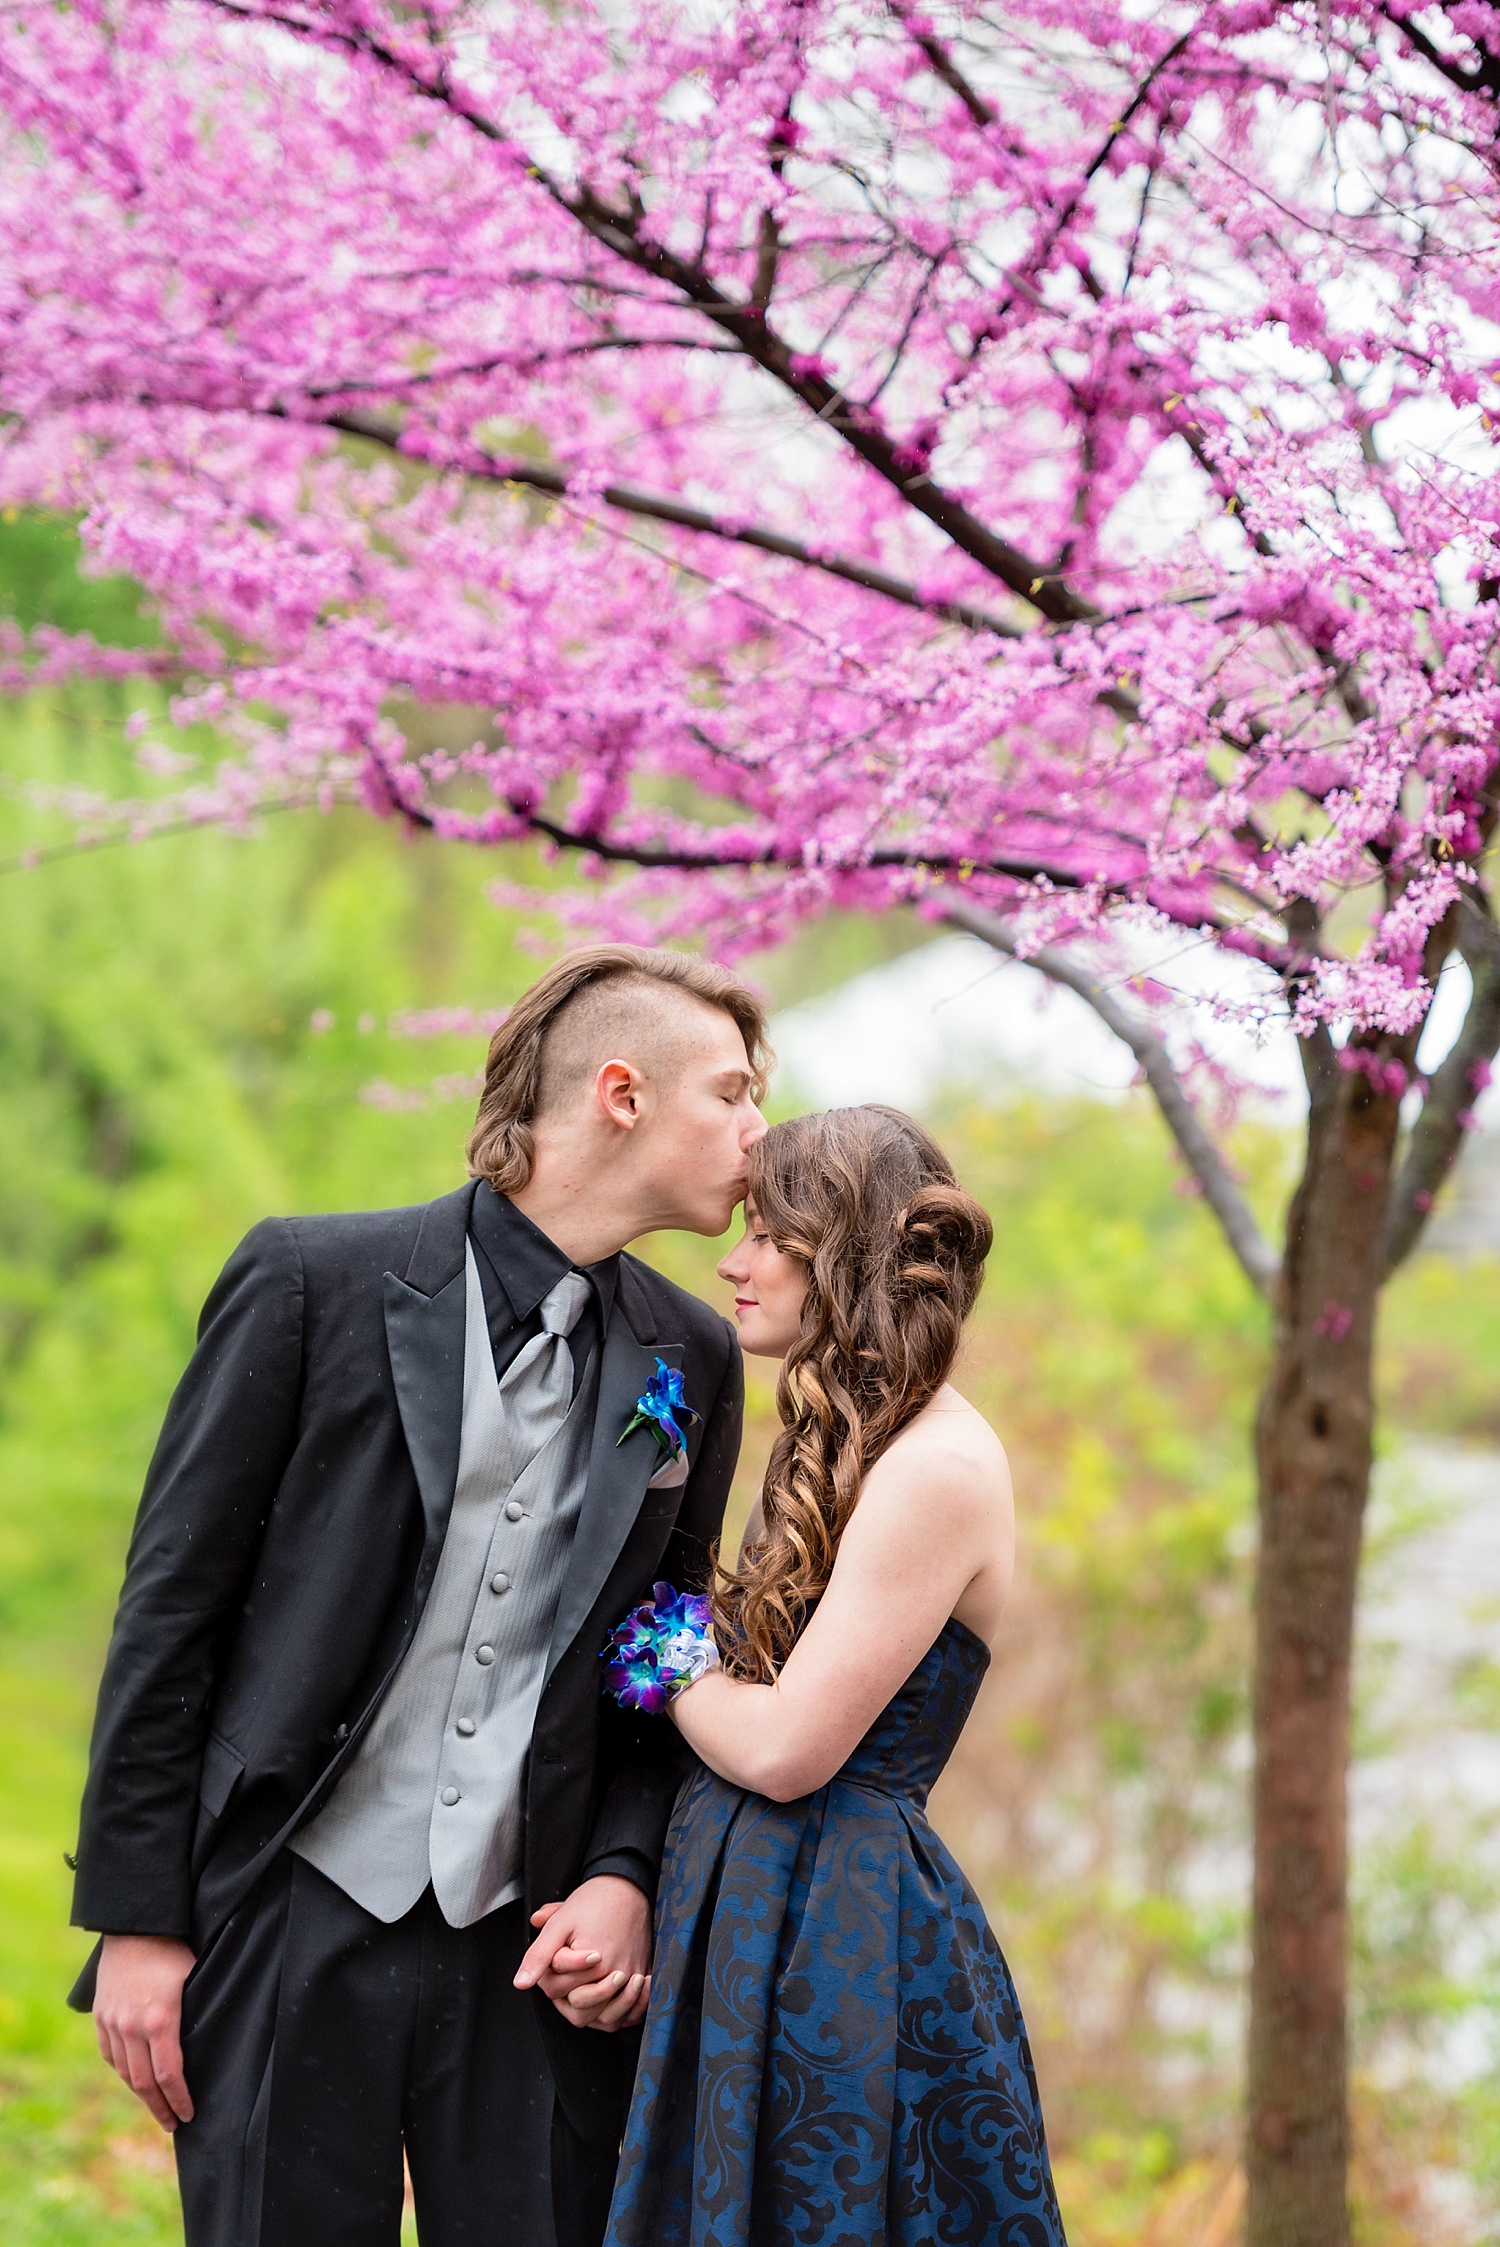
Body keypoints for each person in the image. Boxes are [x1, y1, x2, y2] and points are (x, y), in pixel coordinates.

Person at [68, 943, 770, 2247]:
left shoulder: (698, 1355)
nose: (757, 1131)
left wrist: (625, 1870)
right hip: (286, 1910)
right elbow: (170, 1610)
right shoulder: (307, 1285)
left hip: (528, 1948)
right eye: (731, 1092)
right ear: (620, 1091)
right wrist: (139, 1920)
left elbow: (666, 1642)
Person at [603, 1105, 1069, 2247]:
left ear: (848, 1256)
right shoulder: (848, 1435)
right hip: (759, 1908)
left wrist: (665, 1651)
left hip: (840, 1941)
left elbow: (784, 1747)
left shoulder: (938, 1467)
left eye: (773, 1236)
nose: (735, 1258)